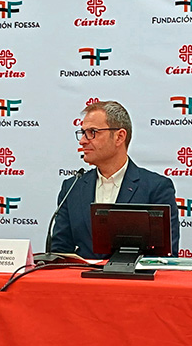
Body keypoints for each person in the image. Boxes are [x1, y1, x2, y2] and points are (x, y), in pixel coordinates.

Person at [50, 101, 180, 259]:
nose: (82, 141)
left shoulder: (156, 188)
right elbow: (60, 252)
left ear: (119, 137)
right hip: (82, 281)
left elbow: (165, 257)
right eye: (82, 133)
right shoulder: (72, 188)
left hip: (134, 282)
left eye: (92, 132)